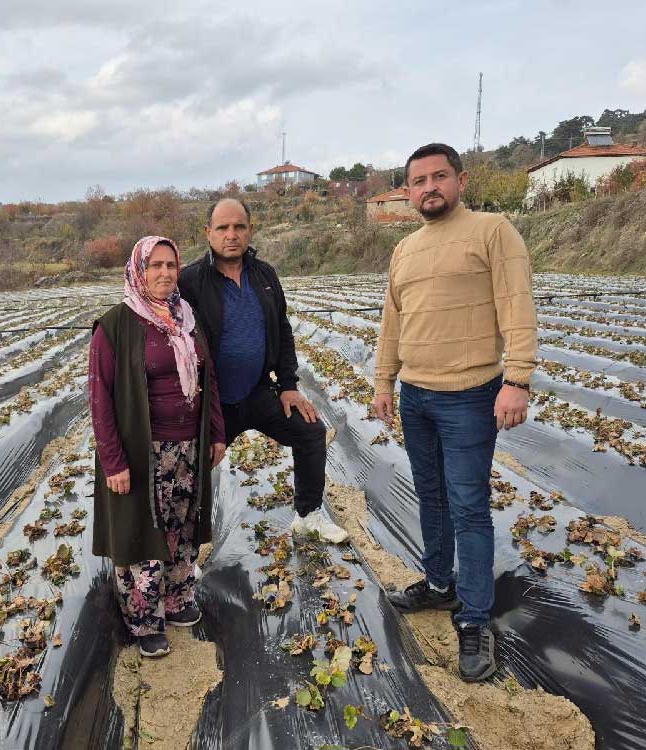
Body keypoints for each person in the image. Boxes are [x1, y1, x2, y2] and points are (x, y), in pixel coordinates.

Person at [372, 143, 538, 682]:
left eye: (438, 177)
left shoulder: (493, 231)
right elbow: (392, 323)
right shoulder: (405, 250)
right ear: (408, 191)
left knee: (468, 505)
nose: (428, 188)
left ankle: (473, 616)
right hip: (416, 395)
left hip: (470, 393)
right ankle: (439, 583)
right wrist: (383, 383)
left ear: (460, 180)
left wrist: (517, 379)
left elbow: (518, 304)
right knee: (432, 495)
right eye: (418, 181)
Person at [178, 198, 347, 543]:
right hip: (214, 402)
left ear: (250, 230)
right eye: (223, 227)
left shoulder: (264, 274)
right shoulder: (190, 281)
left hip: (257, 391)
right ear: (208, 233)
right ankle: (188, 547)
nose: (231, 234)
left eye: (239, 226)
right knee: (194, 463)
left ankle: (308, 514)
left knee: (310, 432)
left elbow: (281, 329)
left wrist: (287, 385)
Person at [89, 236, 226, 658]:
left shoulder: (188, 317)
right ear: (138, 271)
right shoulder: (116, 324)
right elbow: (100, 398)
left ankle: (177, 599)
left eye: (171, 265)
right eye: (155, 266)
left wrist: (217, 432)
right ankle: (144, 619)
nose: (165, 273)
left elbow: (209, 381)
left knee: (182, 526)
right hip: (141, 450)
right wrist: (113, 461)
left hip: (188, 445)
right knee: (141, 531)